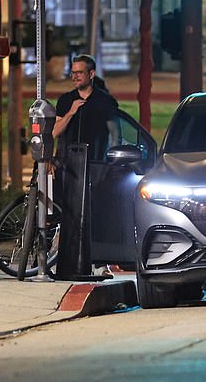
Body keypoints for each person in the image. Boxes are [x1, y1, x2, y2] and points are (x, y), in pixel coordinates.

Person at [53, 54, 119, 278]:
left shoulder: (104, 101)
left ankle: (99, 263)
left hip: (96, 164)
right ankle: (61, 259)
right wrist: (71, 111)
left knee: (96, 213)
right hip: (68, 165)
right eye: (72, 72)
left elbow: (115, 133)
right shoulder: (65, 100)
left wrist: (112, 162)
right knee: (66, 214)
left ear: (91, 74)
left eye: (79, 73)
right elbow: (54, 132)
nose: (74, 77)